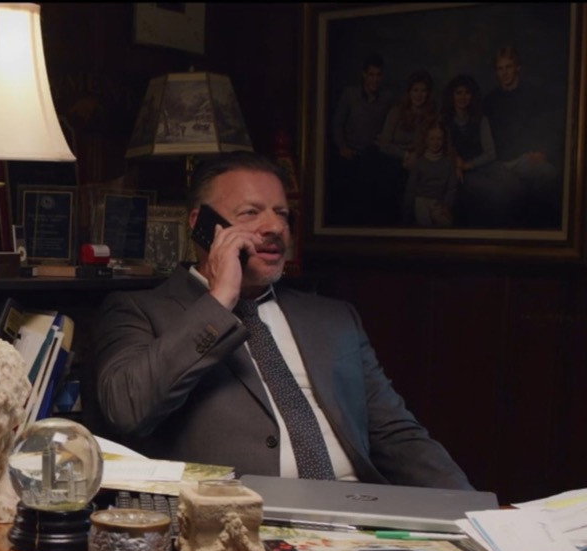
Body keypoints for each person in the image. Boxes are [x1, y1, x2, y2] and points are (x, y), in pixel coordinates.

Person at [92, 151, 470, 489]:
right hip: (236, 520)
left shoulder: (333, 318)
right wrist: (220, 300)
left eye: (282, 214)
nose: (274, 227)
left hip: (355, 512)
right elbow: (127, 410)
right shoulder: (139, 310)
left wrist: (479, 515)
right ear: (201, 224)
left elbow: (397, 435)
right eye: (251, 213)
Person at [481, 45, 561, 227]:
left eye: (508, 67)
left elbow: (547, 128)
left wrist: (542, 151)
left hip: (525, 159)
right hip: (498, 162)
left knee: (549, 174)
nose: (504, 73)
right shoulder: (489, 100)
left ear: (517, 68)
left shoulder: (533, 95)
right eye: (500, 69)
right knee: (510, 191)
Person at [326, 53, 395, 225]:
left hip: (375, 154)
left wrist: (385, 140)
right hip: (351, 153)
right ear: (364, 74)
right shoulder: (350, 94)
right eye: (371, 74)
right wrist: (342, 146)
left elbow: (393, 124)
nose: (375, 79)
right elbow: (337, 123)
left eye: (378, 75)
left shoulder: (387, 98)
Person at [377, 69, 437, 223]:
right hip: (393, 157)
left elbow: (432, 142)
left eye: (423, 90)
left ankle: (408, 222)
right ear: (409, 92)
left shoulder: (431, 116)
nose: (419, 95)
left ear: (428, 93)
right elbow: (384, 144)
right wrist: (406, 156)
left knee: (418, 174)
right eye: (415, 90)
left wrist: (416, 156)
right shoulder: (396, 111)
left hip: (418, 159)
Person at [441, 73, 497, 226]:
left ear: (472, 96)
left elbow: (491, 153)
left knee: (498, 189)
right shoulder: (444, 120)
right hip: (452, 169)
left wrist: (468, 165)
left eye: (467, 93)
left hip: (479, 167)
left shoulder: (481, 119)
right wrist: (457, 164)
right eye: (458, 93)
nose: (463, 97)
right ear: (452, 95)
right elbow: (443, 147)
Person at [402, 120, 458, 226]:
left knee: (446, 224)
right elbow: (411, 188)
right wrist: (407, 211)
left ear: (444, 140)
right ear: (426, 140)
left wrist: (446, 206)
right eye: (432, 139)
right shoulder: (419, 162)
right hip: (421, 200)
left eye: (439, 139)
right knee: (425, 224)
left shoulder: (448, 162)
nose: (435, 143)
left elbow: (452, 188)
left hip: (438, 202)